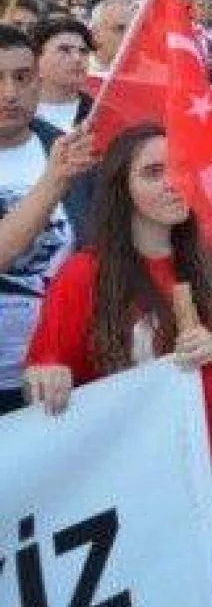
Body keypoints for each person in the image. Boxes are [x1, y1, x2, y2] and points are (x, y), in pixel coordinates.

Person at [24, 124, 212, 497]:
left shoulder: (210, 257)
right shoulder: (84, 274)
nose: (173, 182)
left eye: (179, 167)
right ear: (121, 189)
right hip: (131, 462)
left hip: (210, 450)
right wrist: (47, 378)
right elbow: (39, 378)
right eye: (153, 172)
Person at [0, 26, 96, 415]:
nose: (9, 93)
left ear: (38, 82)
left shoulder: (73, 152)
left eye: (21, 78)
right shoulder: (65, 164)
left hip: (54, 380)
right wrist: (53, 182)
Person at [32, 17, 94, 130]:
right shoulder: (14, 112)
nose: (77, 58)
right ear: (37, 59)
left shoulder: (100, 113)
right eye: (64, 50)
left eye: (83, 51)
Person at [85, 0, 134, 75]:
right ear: (96, 34)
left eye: (132, 29)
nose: (130, 36)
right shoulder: (79, 72)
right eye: (120, 29)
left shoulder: (147, 71)